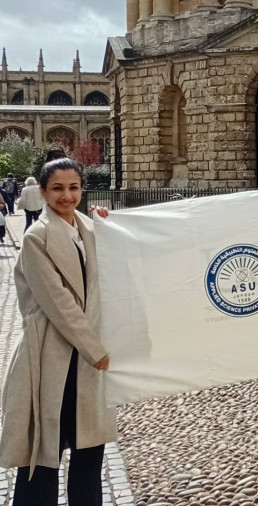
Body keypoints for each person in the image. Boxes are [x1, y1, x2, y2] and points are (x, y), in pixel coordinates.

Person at [0, 158, 117, 505]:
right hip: (51, 356)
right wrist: (96, 351)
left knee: (89, 454)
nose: (67, 196)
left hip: (87, 362)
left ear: (82, 189)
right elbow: (59, 304)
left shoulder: (90, 229)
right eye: (57, 188)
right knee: (42, 456)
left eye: (73, 187)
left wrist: (110, 226)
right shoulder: (36, 238)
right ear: (43, 191)